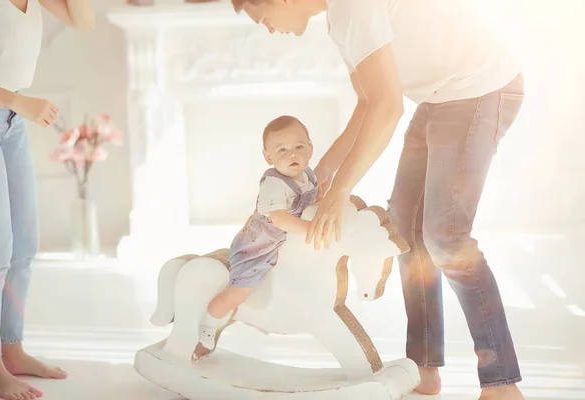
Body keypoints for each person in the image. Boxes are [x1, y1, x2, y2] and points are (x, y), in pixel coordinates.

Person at [230, 1, 525, 399]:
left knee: (446, 237)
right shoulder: (339, 19)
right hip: (440, 98)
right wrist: (326, 173)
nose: (267, 29)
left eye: (262, 17)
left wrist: (340, 194)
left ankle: (502, 384)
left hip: (480, 87)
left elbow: (388, 106)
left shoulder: (353, 8)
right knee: (404, 229)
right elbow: (369, 102)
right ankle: (424, 367)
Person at [0, 0, 94, 399]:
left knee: (24, 246)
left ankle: (12, 350)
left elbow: (84, 22)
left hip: (12, 124)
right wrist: (21, 103)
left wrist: (18, 107)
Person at [198, 115, 318, 353]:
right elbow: (280, 218)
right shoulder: (274, 183)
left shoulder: (308, 176)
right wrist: (312, 229)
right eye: (281, 149)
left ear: (310, 149)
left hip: (286, 243)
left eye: (299, 147)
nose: (292, 155)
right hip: (260, 247)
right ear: (268, 156)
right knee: (241, 289)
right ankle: (208, 324)